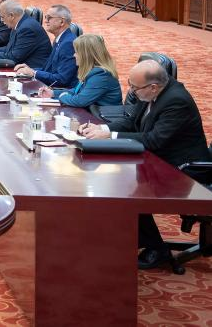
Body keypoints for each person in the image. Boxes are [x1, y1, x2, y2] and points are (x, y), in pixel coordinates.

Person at [79, 60, 209, 269]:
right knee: (117, 178)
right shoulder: (148, 93)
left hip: (184, 170)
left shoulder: (177, 101)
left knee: (127, 188)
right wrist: (101, 129)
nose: (131, 91)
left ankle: (156, 248)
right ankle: (134, 237)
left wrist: (111, 136)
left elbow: (154, 140)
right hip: (160, 159)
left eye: (134, 87)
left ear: (153, 87)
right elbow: (132, 122)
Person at [38, 34, 121, 107]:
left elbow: (79, 101)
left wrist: (62, 96)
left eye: (76, 52)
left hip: (102, 118)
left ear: (87, 55)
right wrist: (52, 93)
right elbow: (76, 91)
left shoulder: (101, 75)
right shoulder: (93, 71)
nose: (74, 55)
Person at [13, 4, 78, 89]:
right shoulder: (60, 39)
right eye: (45, 17)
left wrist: (34, 73)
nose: (46, 21)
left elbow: (62, 79)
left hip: (61, 91)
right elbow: (49, 70)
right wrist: (31, 69)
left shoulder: (68, 43)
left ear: (62, 22)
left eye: (49, 18)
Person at [0, 0, 51, 68]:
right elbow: (9, 48)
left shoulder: (27, 29)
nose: (1, 20)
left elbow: (14, 57)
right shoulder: (19, 24)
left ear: (11, 16)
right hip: (22, 65)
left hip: (33, 69)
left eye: (2, 17)